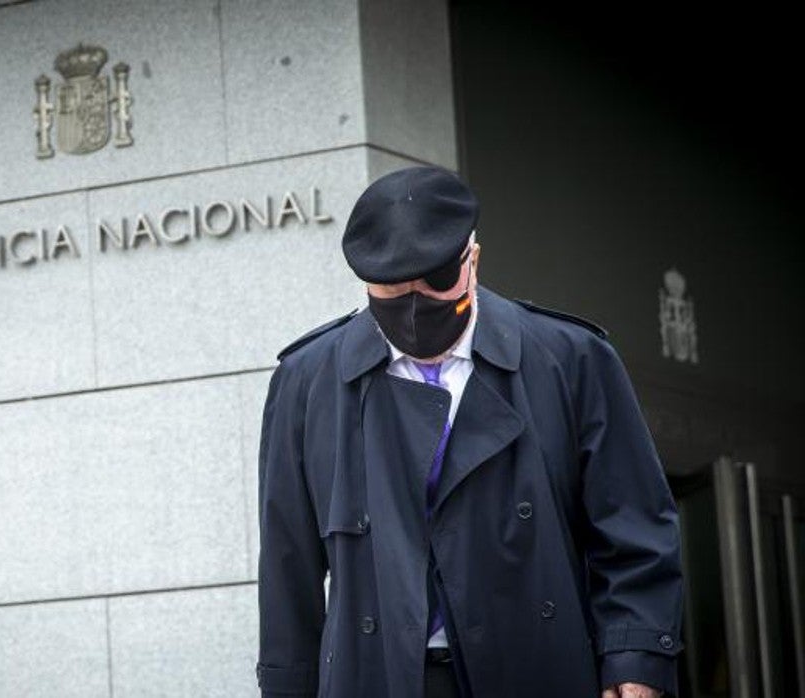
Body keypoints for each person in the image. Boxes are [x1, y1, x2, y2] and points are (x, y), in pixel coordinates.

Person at [255, 166, 683, 698]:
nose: (415, 303)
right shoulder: (306, 381)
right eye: (392, 285)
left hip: (535, 665)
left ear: (472, 260)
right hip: (378, 676)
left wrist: (636, 657)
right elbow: (286, 560)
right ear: (365, 281)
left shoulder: (570, 359)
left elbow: (633, 524)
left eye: (436, 280)